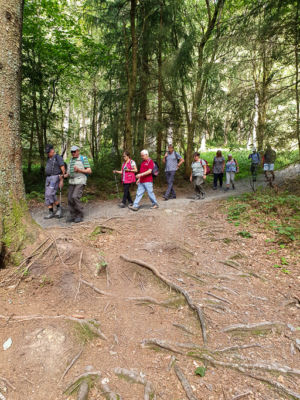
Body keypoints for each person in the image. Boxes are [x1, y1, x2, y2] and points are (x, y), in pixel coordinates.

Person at [64, 145, 92, 223]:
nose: (73, 153)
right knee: (70, 198)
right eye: (71, 152)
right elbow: (69, 173)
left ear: (78, 151)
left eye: (74, 151)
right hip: (72, 181)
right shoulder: (70, 160)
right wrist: (64, 176)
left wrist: (79, 170)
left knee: (75, 196)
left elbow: (89, 171)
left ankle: (80, 215)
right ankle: (73, 216)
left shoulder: (83, 159)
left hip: (80, 180)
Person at [44, 144, 65, 219]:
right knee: (47, 195)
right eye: (47, 152)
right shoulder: (49, 158)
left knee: (50, 193)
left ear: (52, 150)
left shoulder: (57, 157)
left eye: (48, 152)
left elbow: (62, 168)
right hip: (48, 178)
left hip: (55, 177)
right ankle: (51, 212)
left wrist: (62, 179)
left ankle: (59, 208)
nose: (47, 153)